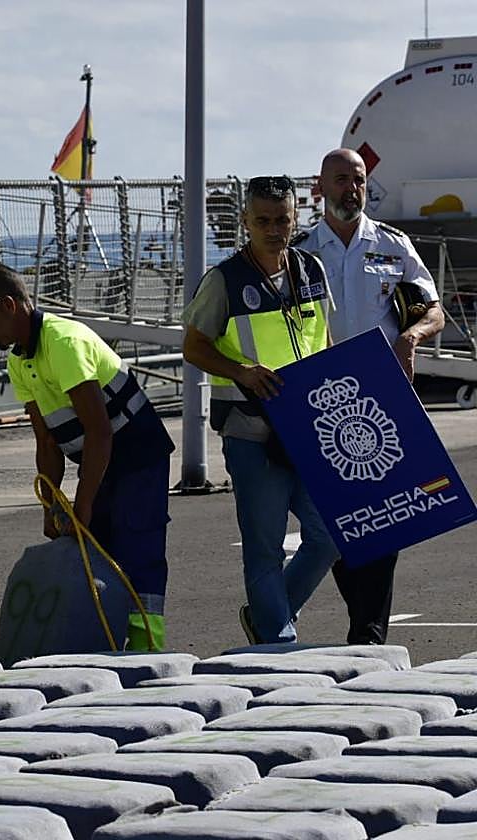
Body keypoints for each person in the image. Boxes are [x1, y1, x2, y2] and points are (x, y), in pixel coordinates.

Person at [0, 263, 173, 650]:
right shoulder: (18, 360)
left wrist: (84, 502)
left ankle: (148, 649)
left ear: (8, 305)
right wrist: (51, 505)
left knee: (136, 547)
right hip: (100, 458)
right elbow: (46, 441)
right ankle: (107, 642)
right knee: (99, 551)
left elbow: (99, 431)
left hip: (136, 453)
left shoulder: (64, 343)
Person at [294, 148, 445, 644]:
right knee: (336, 521)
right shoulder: (300, 253)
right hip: (322, 401)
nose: (350, 189)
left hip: (382, 400)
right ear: (320, 187)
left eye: (357, 180)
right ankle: (366, 625)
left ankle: (368, 634)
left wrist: (412, 336)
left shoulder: (392, 245)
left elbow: (433, 309)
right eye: (340, 180)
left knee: (386, 518)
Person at [182, 175, 337, 644]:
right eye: (263, 220)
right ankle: (280, 640)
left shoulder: (310, 269)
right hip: (252, 431)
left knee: (329, 536)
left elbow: (324, 341)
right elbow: (193, 347)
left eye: (283, 220)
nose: (274, 229)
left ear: (295, 219)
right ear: (246, 221)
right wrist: (242, 370)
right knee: (264, 546)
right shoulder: (224, 280)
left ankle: (270, 618)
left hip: (307, 426)